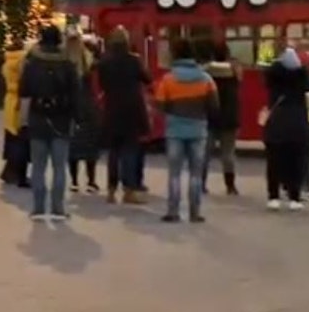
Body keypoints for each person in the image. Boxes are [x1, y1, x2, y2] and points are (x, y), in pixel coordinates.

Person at [18, 24, 80, 221]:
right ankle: (58, 208)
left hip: (37, 118)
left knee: (38, 166)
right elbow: (76, 94)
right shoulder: (68, 64)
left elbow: (24, 94)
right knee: (59, 166)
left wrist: (23, 121)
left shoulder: (32, 63)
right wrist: (77, 118)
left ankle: (38, 208)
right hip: (62, 119)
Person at [154, 38, 218, 223]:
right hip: (198, 130)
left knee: (174, 173)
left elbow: (160, 105)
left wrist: (173, 111)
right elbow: (214, 106)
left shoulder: (168, 79)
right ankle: (195, 213)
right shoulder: (206, 79)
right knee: (195, 174)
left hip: (175, 130)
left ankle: (173, 211)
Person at [94, 27, 151, 204]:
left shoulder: (104, 62)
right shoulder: (134, 60)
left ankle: (111, 190)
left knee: (113, 151)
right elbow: (147, 79)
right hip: (132, 110)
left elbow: (102, 84)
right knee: (130, 151)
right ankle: (129, 190)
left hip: (112, 109)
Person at [262, 47, 309, 211]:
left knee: (274, 162)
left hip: (276, 122)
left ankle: (273, 196)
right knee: (296, 161)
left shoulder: (274, 78)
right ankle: (294, 197)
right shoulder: (303, 78)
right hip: (298, 123)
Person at [203, 41, 241, 196]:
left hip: (210, 116)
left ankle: (201, 184)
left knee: (205, 153)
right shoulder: (234, 71)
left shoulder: (206, 72)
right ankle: (230, 186)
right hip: (230, 118)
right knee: (228, 154)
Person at [66, 34, 100, 193]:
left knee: (72, 146)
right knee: (90, 145)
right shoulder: (88, 60)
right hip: (88, 105)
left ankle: (74, 181)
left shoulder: (65, 61)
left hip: (71, 107)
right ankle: (91, 181)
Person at [0, 40, 31, 188]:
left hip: (10, 99)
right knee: (21, 138)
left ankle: (10, 171)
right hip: (20, 100)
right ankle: (15, 173)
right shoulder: (22, 61)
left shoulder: (6, 62)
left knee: (11, 136)